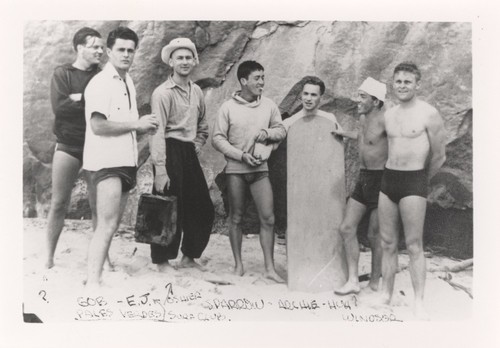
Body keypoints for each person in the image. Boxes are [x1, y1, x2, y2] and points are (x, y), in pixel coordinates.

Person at [83, 27, 159, 287]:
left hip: (126, 161)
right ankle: (92, 282)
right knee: (106, 224)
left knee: (111, 224)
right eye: (121, 50)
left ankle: (101, 270)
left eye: (130, 50)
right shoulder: (100, 83)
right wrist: (137, 125)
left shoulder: (128, 80)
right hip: (105, 162)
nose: (126, 54)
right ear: (108, 52)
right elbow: (98, 126)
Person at [378, 62, 446, 319]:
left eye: (408, 81)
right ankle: (386, 295)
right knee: (387, 243)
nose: (402, 86)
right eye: (398, 81)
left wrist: (422, 182)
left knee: (414, 244)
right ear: (392, 84)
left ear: (417, 85)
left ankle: (419, 302)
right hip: (389, 180)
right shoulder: (389, 114)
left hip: (414, 181)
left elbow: (440, 155)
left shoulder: (428, 113)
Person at [212, 60, 285, 282]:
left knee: (268, 218)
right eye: (257, 78)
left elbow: (281, 130)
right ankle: (238, 265)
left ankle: (270, 268)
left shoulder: (269, 105)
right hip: (236, 170)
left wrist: (268, 133)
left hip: (261, 170)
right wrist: (240, 156)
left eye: (263, 77)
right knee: (236, 217)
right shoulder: (227, 108)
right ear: (244, 81)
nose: (261, 82)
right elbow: (217, 138)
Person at [149, 38, 214, 272]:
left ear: (195, 61)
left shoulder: (196, 91)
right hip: (168, 149)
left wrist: (196, 145)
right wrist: (161, 169)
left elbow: (203, 124)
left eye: (189, 57)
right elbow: (156, 132)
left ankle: (189, 257)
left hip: (188, 152)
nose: (185, 62)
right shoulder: (162, 93)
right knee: (166, 207)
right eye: (180, 58)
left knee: (203, 208)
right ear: (171, 62)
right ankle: (162, 261)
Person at [45, 27, 104, 269]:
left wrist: (79, 98)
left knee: (97, 206)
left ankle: (103, 258)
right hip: (68, 145)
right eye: (95, 47)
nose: (101, 51)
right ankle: (48, 257)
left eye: (102, 47)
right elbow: (61, 108)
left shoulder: (102, 76)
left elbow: (104, 109)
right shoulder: (62, 74)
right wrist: (87, 102)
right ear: (80, 48)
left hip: (95, 147)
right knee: (59, 203)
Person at [332, 77, 388, 295]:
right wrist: (342, 133)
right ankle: (353, 280)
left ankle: (375, 282)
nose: (357, 100)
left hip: (382, 180)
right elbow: (364, 138)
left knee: (375, 236)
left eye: (362, 97)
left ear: (375, 101)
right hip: (363, 178)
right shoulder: (364, 118)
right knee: (346, 228)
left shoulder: (386, 120)